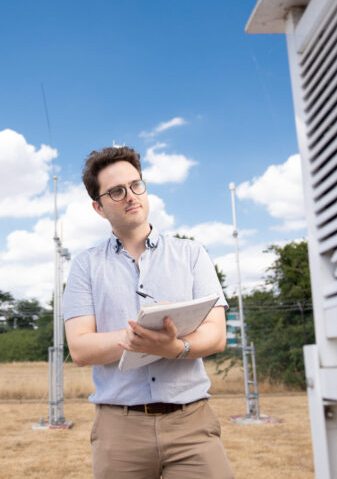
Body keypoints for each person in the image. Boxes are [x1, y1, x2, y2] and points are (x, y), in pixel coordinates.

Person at [63, 146, 234, 479]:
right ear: (98, 207)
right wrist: (136, 338)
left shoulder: (192, 254)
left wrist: (176, 348)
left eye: (136, 185)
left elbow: (216, 334)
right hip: (119, 428)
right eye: (116, 191)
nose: (130, 196)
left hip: (191, 424)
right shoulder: (85, 265)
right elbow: (80, 348)